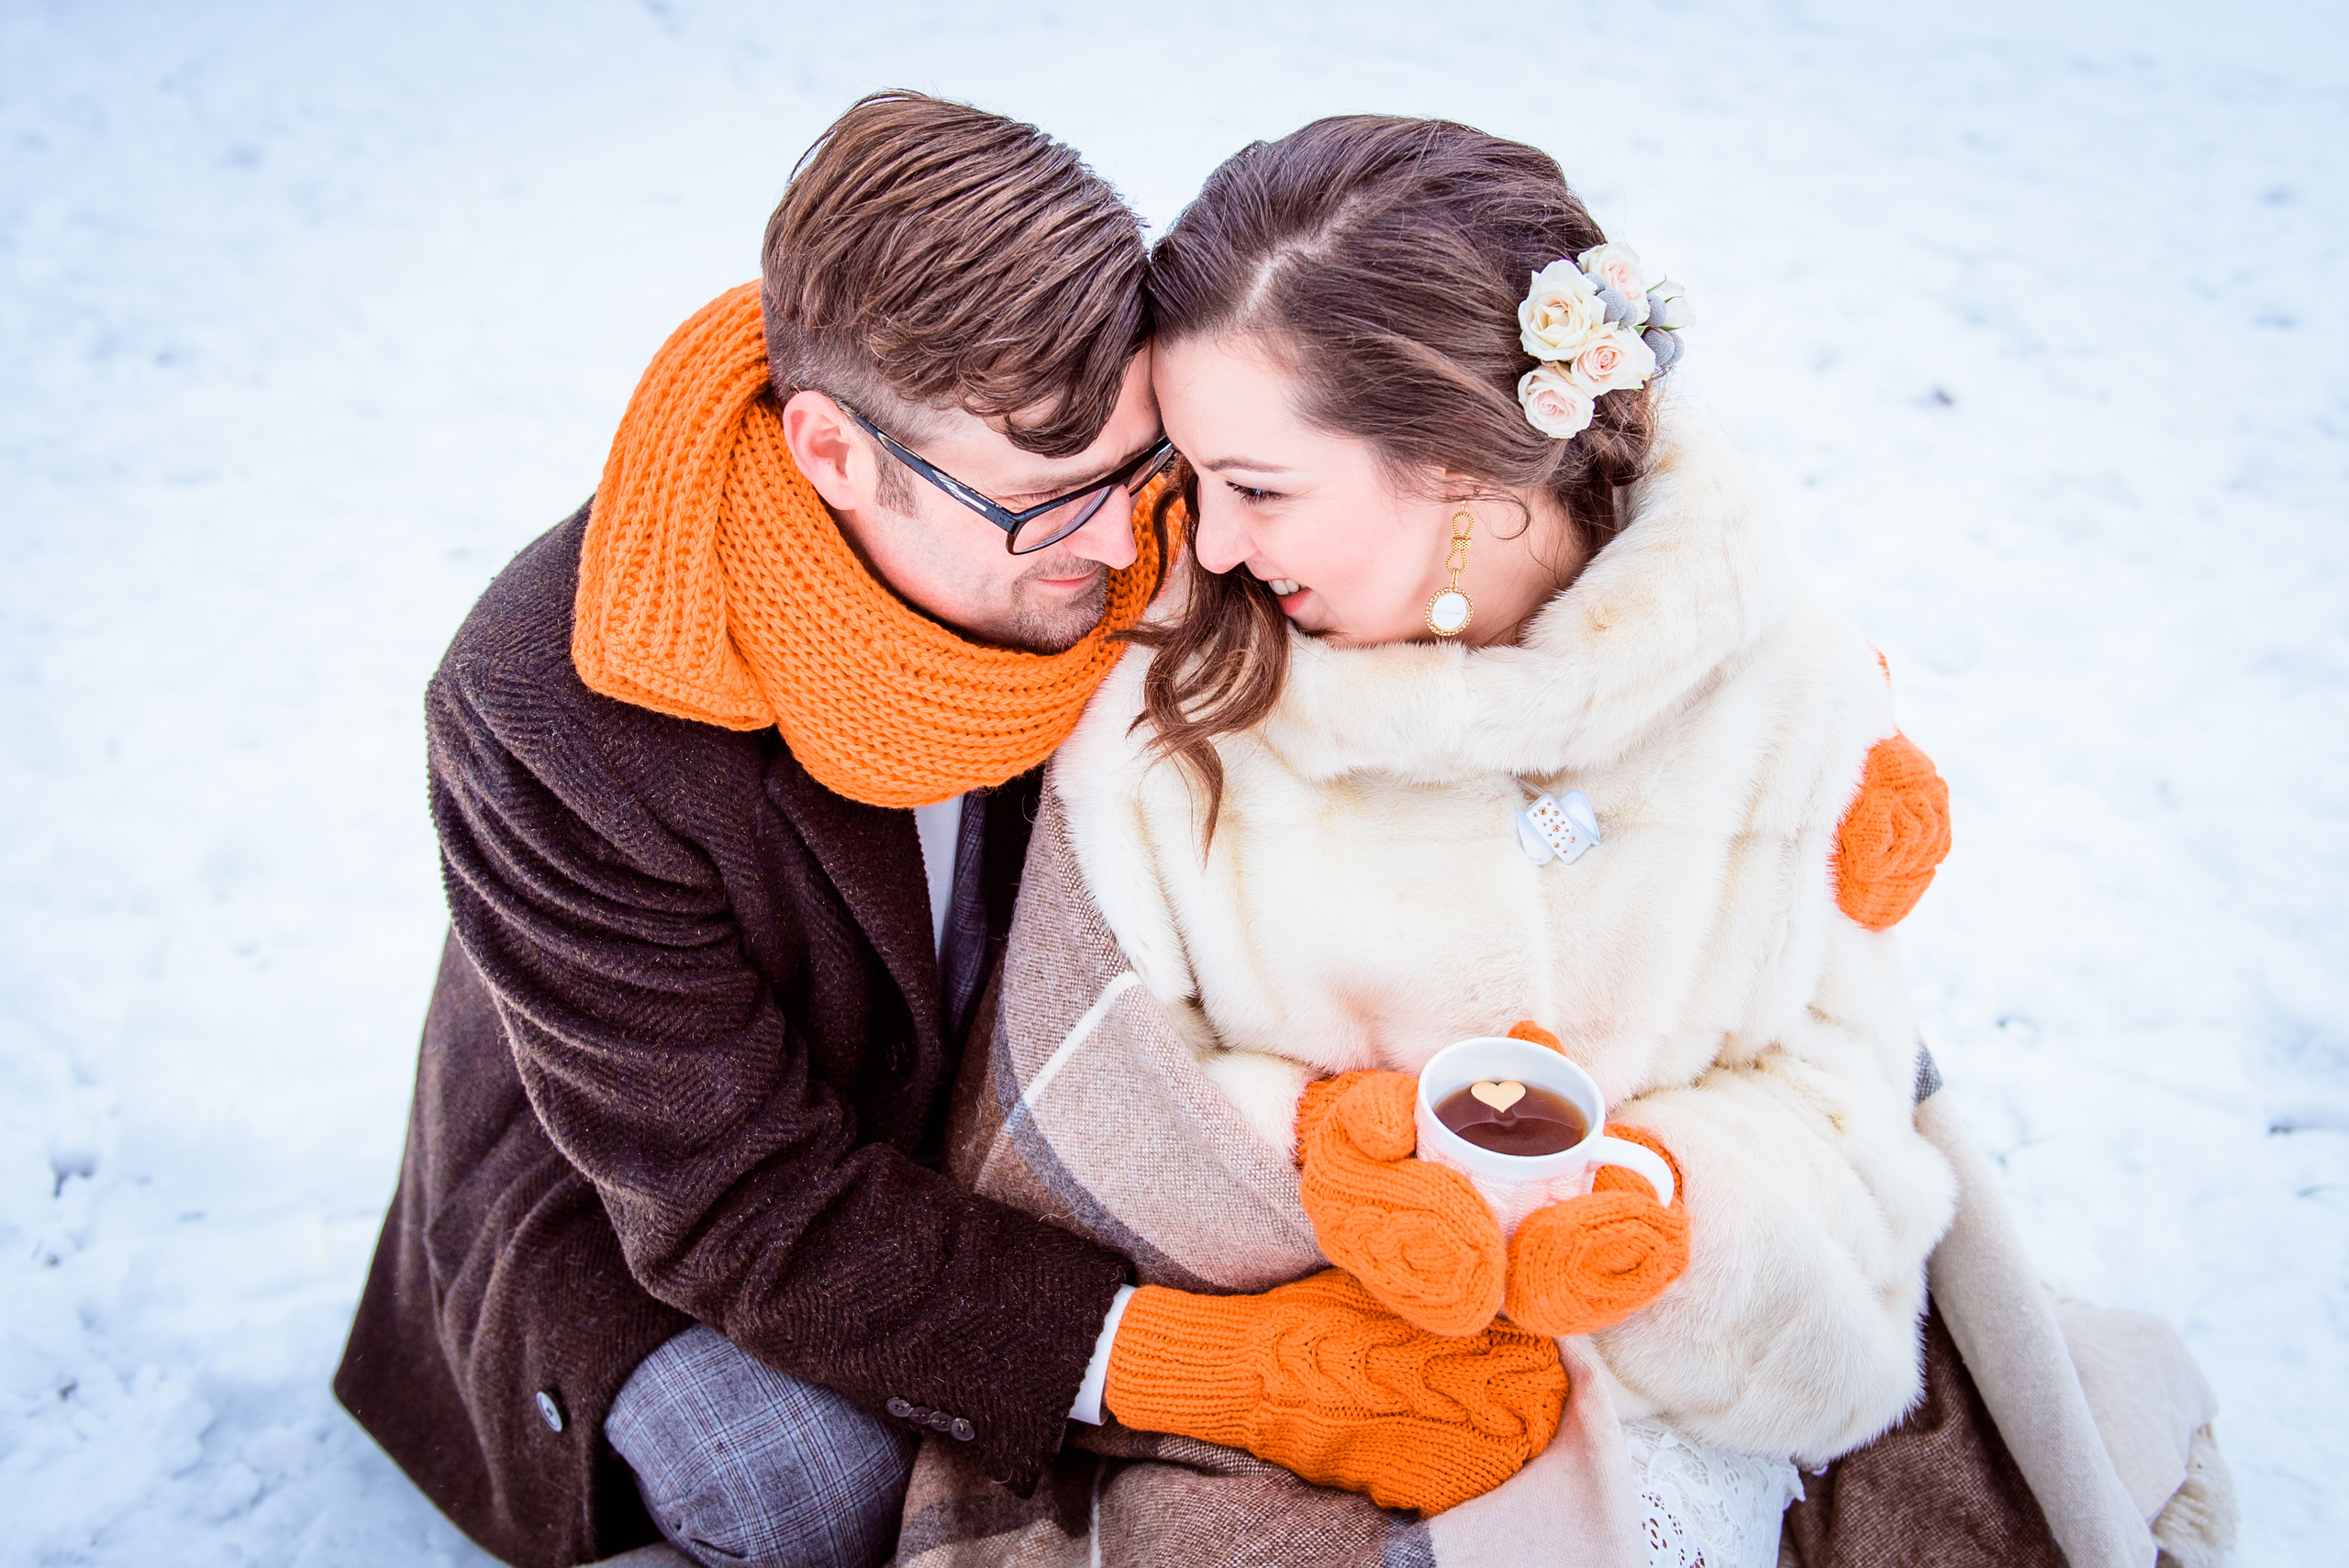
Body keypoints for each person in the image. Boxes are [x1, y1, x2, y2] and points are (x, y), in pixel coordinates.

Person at [332, 95, 1567, 1568]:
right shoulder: (549, 708)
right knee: (805, 1474)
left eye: (1140, 472)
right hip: (659, 1187)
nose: (1127, 552)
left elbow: (1425, 514)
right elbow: (740, 1197)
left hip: (1010, 1088)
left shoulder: (1120, 515)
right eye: (1051, 508)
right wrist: (1189, 1364)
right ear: (835, 453)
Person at [974, 115, 1966, 1568]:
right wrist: (1318, 1151)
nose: (1211, 547)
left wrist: (1675, 1211)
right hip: (1306, 1408)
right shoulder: (1168, 702)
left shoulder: (1785, 688)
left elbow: (1846, 1083)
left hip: (1691, 1418)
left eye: (1257, 486)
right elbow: (1083, 1085)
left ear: (1452, 463)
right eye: (1196, 480)